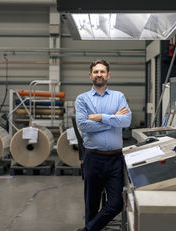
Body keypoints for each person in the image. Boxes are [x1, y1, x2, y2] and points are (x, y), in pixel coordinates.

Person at [75, 59, 132, 231]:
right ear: (90, 75)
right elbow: (84, 125)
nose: (99, 74)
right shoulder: (82, 99)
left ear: (108, 75)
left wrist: (100, 117)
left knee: (115, 204)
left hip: (115, 159)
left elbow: (127, 120)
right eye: (96, 71)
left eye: (102, 71)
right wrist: (113, 119)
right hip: (93, 158)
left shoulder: (118, 96)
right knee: (91, 205)